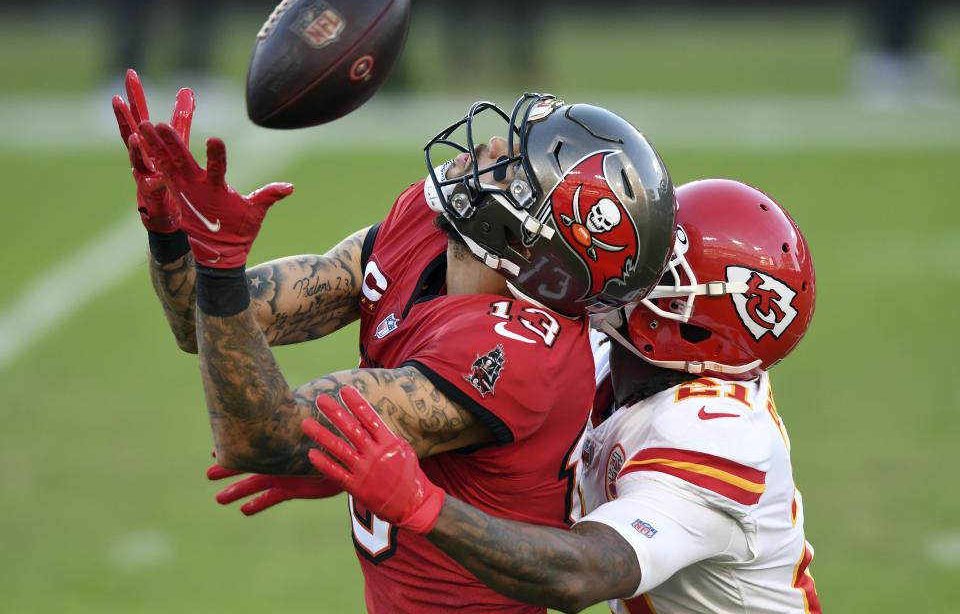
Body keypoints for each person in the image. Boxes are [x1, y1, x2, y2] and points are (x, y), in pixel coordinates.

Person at [112, 71, 677, 612]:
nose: (485, 149)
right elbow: (198, 322)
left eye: (509, 166)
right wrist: (171, 232)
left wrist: (220, 266)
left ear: (532, 241)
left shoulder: (520, 354)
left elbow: (259, 438)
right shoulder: (423, 228)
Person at [301, 179, 823, 613]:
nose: (629, 259)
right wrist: (359, 456)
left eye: (661, 269)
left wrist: (421, 504)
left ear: (698, 324)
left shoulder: (721, 435)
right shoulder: (617, 355)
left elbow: (579, 574)